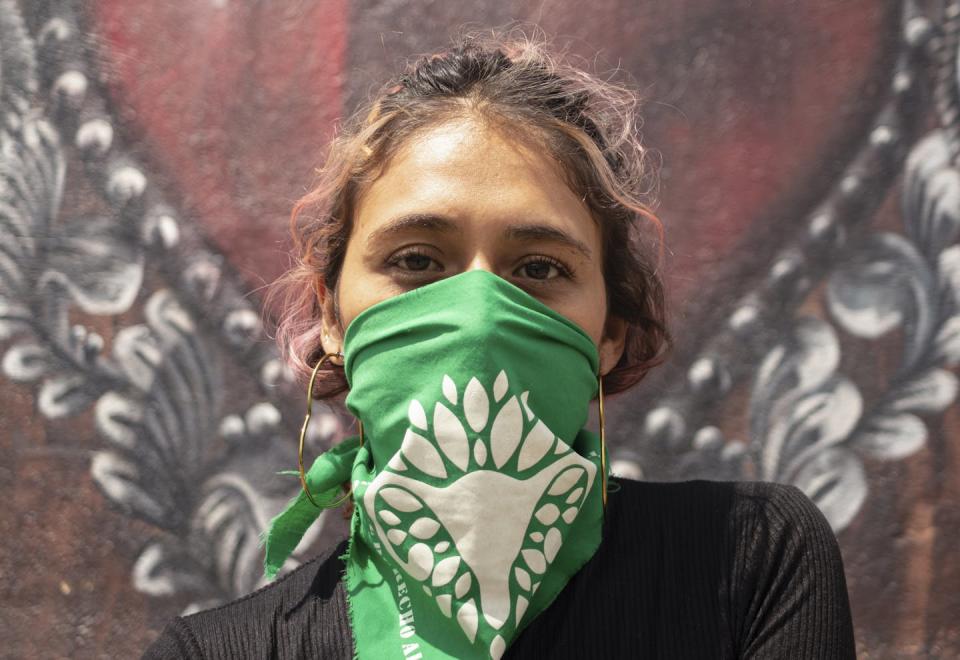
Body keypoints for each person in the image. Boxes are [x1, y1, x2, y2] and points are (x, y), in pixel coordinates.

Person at [142, 26, 857, 660]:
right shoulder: (214, 653)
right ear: (333, 315)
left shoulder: (748, 560)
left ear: (610, 332)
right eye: (417, 261)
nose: (479, 316)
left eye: (539, 269)